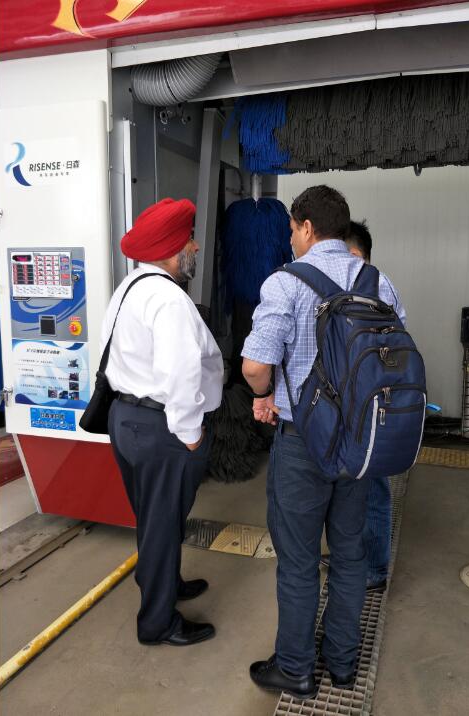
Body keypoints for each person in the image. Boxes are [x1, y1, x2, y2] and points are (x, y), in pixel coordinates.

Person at [241, 186, 406, 699]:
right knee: (350, 554)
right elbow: (396, 360)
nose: (290, 239)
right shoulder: (379, 282)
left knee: (298, 560)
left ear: (308, 227)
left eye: (292, 229)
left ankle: (295, 667)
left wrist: (263, 397)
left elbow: (255, 366)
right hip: (360, 443)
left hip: (303, 445)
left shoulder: (286, 283)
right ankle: (342, 662)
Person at [103, 197, 224, 647]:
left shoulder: (130, 287)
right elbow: (181, 373)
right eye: (190, 239)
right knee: (160, 523)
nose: (195, 246)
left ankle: (167, 584)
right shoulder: (169, 299)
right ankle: (157, 624)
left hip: (127, 419)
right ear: (172, 248)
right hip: (161, 428)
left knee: (155, 518)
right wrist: (190, 434)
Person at [321, 219, 406, 591]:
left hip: (366, 406)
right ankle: (356, 558)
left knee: (372, 488)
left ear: (354, 254)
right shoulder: (377, 285)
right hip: (365, 404)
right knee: (355, 485)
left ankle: (374, 568)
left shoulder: (371, 285)